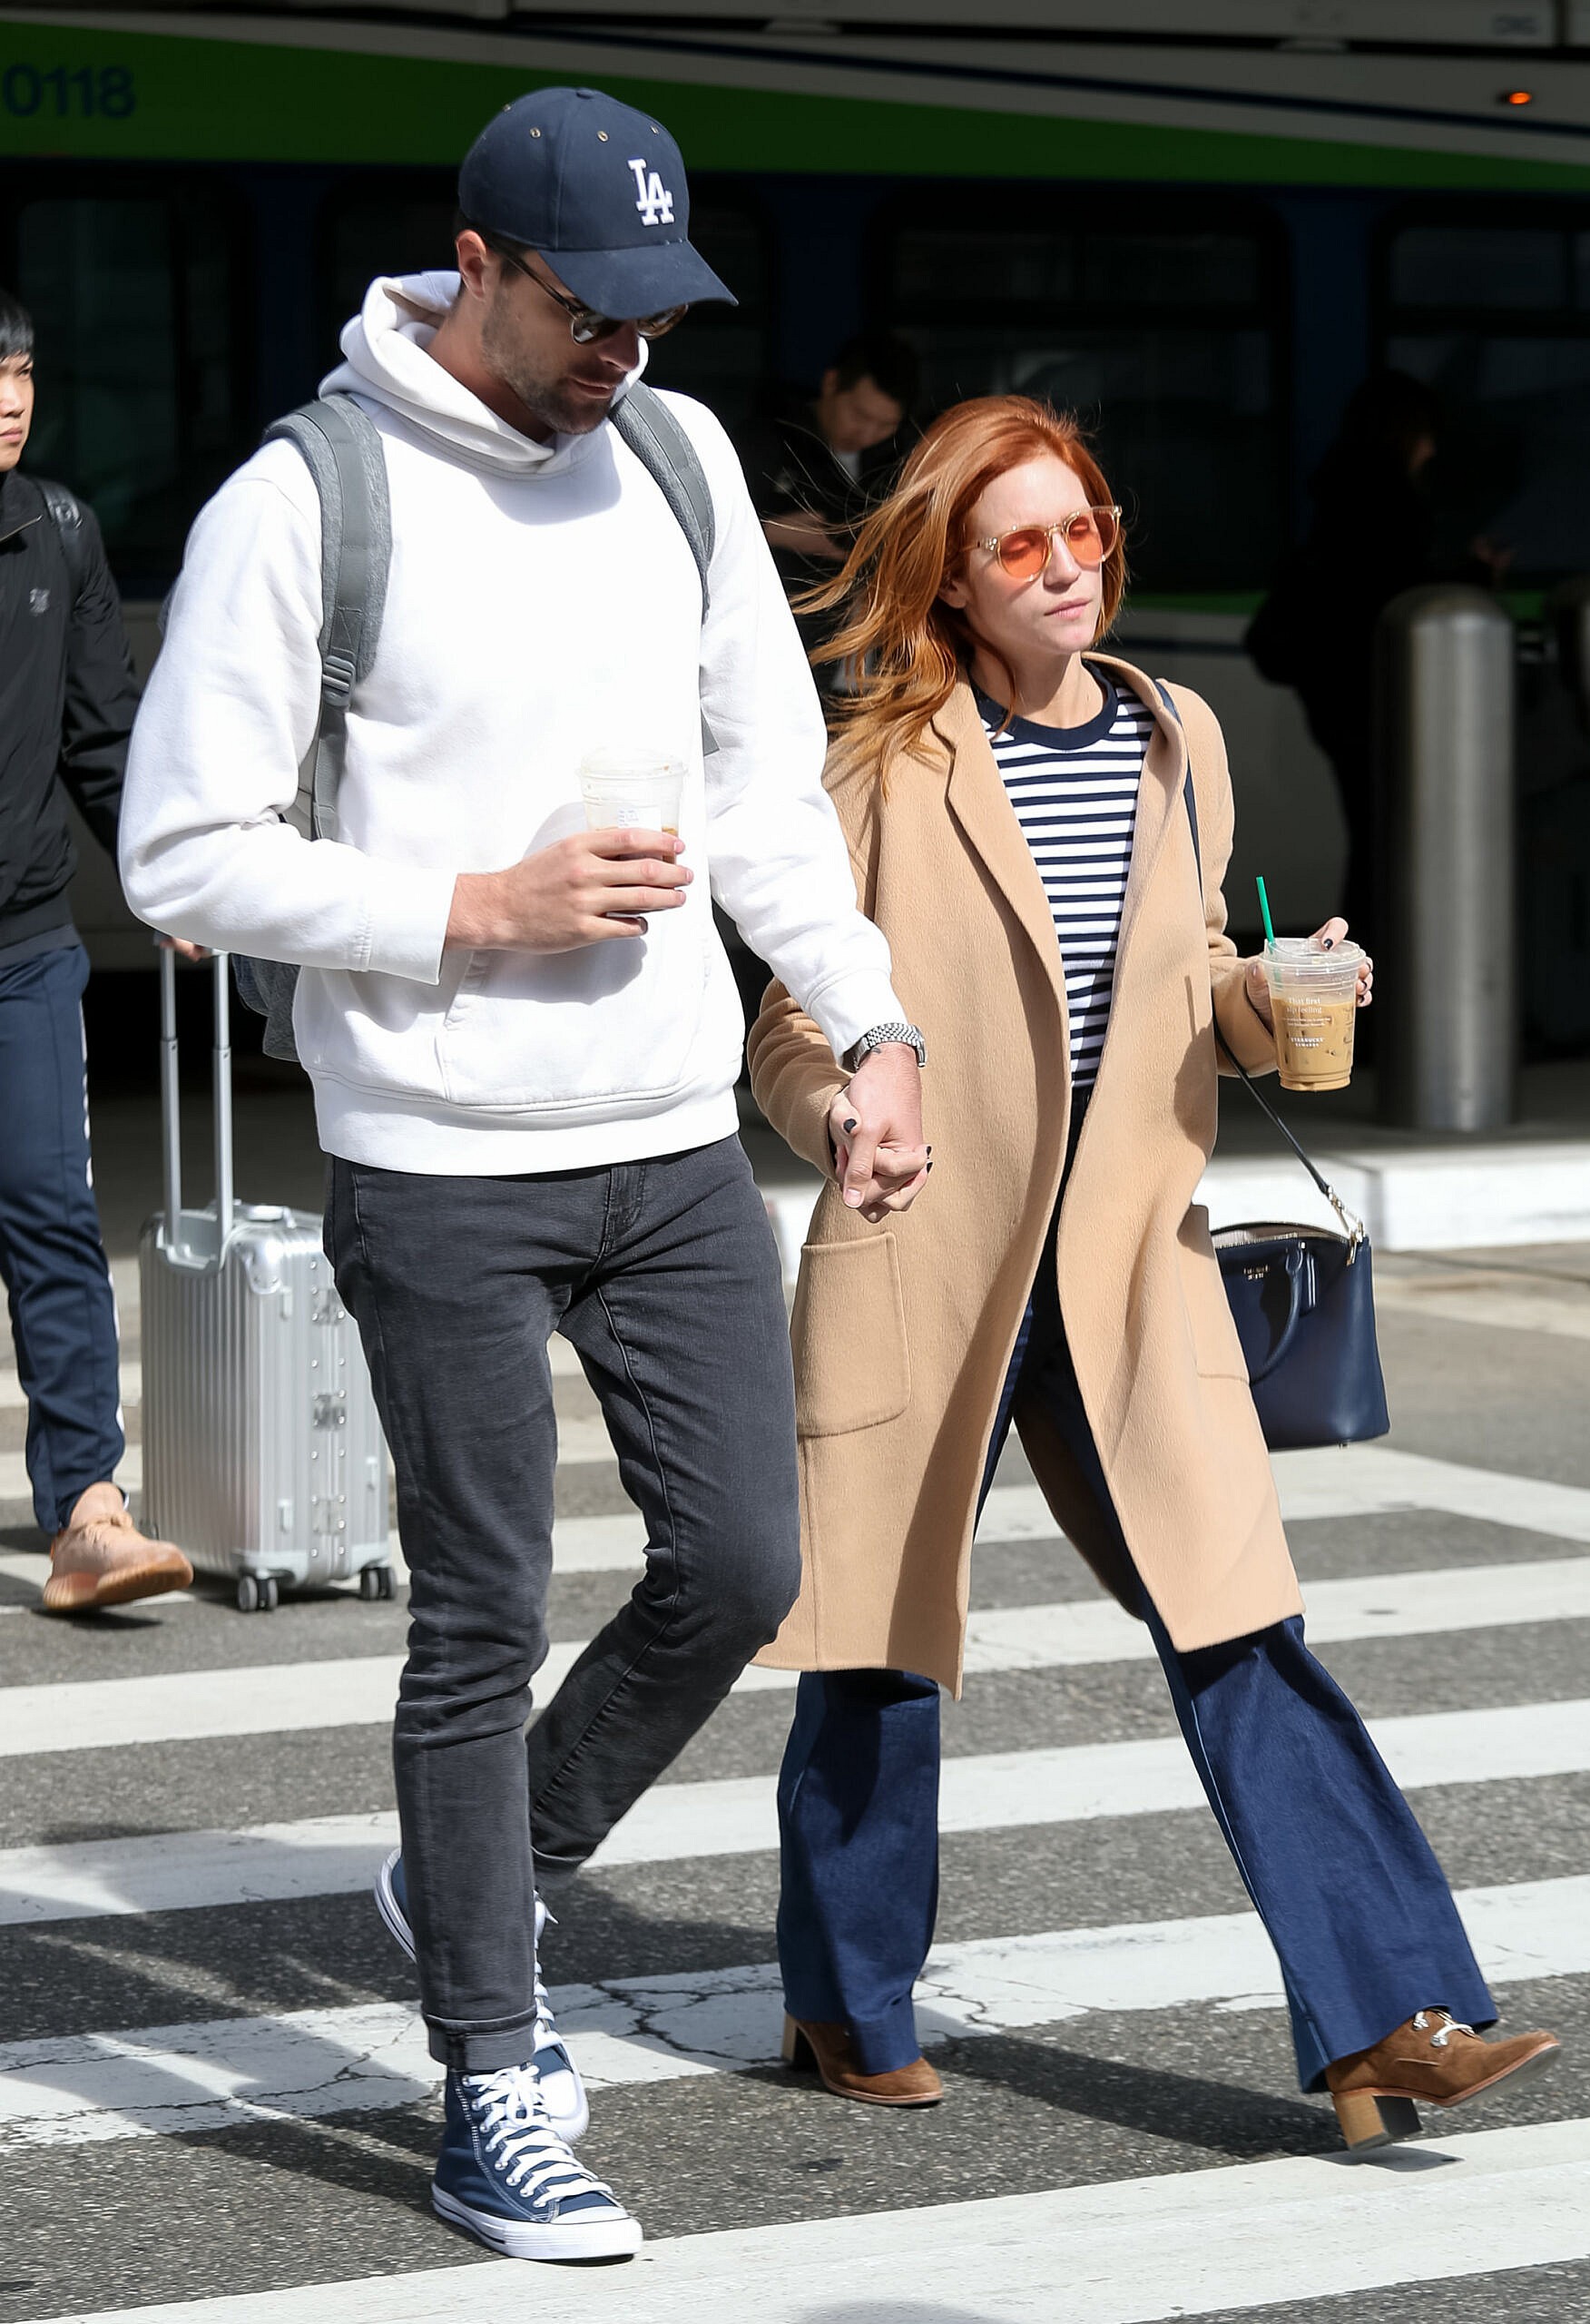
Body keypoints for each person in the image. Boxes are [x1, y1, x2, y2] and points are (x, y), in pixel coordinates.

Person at [120, 87, 926, 2262]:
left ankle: (484, 1850)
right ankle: (496, 2067)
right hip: (439, 1155)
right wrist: (469, 907)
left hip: (665, 1138)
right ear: (473, 263)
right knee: (481, 1612)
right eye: (589, 310)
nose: (626, 354)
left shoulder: (671, 466)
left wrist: (865, 1023)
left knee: (747, 1560)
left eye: (660, 313)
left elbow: (768, 791)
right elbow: (180, 846)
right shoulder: (311, 499)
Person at [748, 394, 1558, 2148]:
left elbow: (1192, 978)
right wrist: (836, 1119)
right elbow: (793, 1026)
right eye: (1020, 543)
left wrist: (1283, 991)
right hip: (930, 1250)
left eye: (1086, 530)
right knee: (882, 1651)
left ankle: (1380, 2026)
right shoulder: (882, 761)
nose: (1066, 568)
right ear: (950, 582)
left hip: (1125, 1268)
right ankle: (844, 1995)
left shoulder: (1172, 731)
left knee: (1239, 1631)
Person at [0, 287, 193, 1617]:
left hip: (22, 948)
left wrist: (165, 867)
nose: (10, 399)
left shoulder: (54, 532)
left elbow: (101, 740)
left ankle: (88, 1511)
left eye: (19, 375)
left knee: (53, 1217)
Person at [1245, 370, 1508, 943]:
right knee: (1390, 841)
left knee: (1373, 836)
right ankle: (1377, 963)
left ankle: (1369, 958)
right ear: (1403, 435)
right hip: (1373, 701)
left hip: (1335, 699)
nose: (1432, 450)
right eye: (1425, 436)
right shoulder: (1391, 506)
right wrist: (1474, 576)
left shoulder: (1337, 494)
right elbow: (1397, 597)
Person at [746, 330, 918, 670]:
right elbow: (705, 530)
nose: (866, 433)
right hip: (782, 649)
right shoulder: (766, 442)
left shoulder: (899, 462)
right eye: (859, 414)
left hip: (873, 661)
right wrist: (770, 532)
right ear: (831, 383)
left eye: (885, 425)